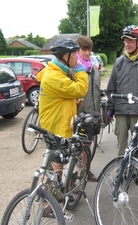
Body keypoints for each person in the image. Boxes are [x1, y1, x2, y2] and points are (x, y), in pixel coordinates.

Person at [37, 38, 89, 207]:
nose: (77, 58)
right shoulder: (54, 76)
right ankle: (47, 205)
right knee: (55, 166)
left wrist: (72, 103)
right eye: (75, 54)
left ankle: (56, 196)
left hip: (59, 123)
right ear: (65, 56)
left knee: (56, 164)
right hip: (55, 126)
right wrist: (81, 72)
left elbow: (61, 97)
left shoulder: (58, 73)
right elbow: (79, 89)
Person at [106, 25, 138, 157]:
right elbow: (111, 87)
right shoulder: (119, 62)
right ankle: (120, 173)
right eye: (125, 41)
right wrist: (110, 107)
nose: (127, 44)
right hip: (121, 110)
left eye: (130, 41)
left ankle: (136, 174)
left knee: (137, 145)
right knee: (121, 144)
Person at [75, 35, 101, 182]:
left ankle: (85, 171)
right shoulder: (74, 69)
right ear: (78, 50)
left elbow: (96, 91)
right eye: (84, 50)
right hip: (79, 114)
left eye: (89, 50)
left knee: (87, 145)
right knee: (77, 147)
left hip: (93, 114)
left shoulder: (94, 68)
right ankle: (77, 174)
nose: (87, 53)